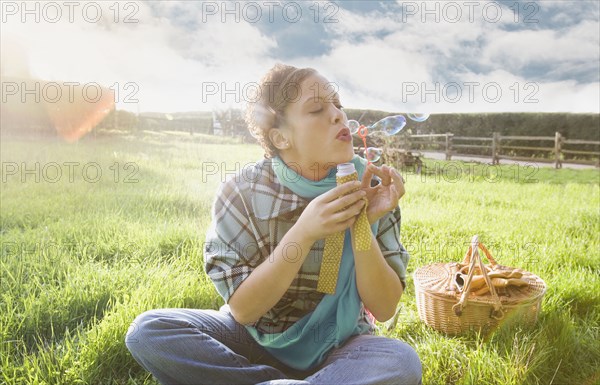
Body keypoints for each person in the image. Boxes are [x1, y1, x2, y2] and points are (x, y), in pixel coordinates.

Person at [125, 64, 422, 385]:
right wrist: (304, 231)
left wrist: (362, 224)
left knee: (401, 362)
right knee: (148, 331)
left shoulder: (370, 183)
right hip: (253, 338)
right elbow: (243, 311)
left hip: (342, 343)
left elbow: (385, 306)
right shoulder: (242, 191)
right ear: (281, 137)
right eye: (317, 108)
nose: (337, 115)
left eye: (338, 104)